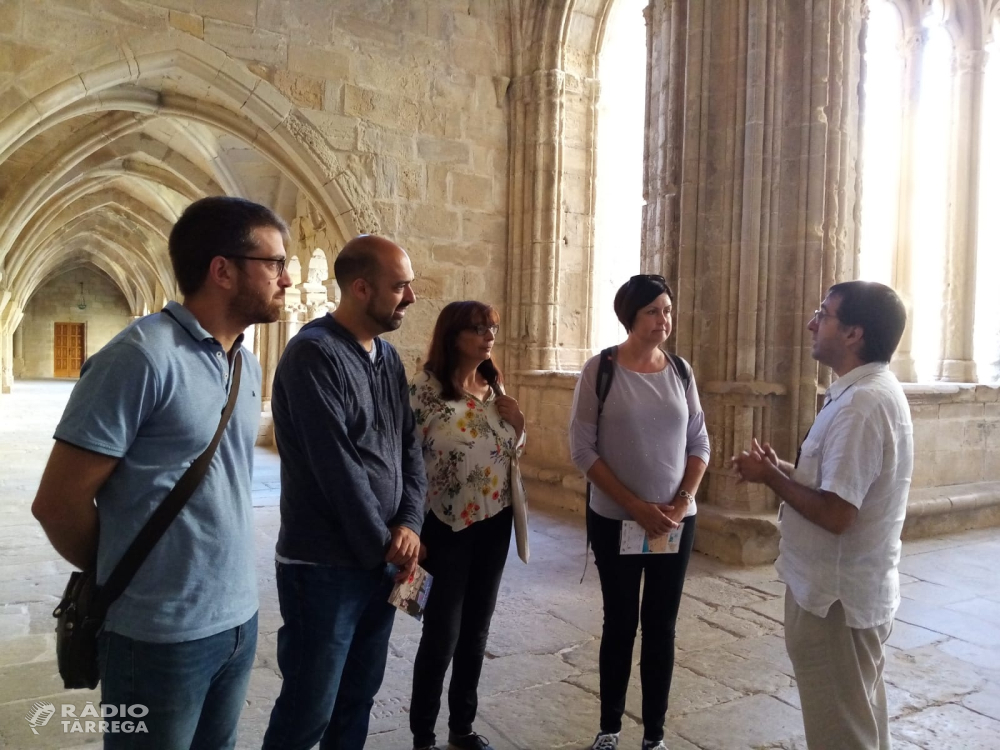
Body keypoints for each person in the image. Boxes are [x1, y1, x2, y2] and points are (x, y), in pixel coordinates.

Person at [32, 196, 292, 749]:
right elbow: (57, 503)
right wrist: (135, 572)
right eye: (274, 263)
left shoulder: (245, 361)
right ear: (222, 270)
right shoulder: (140, 357)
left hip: (239, 620)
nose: (287, 279)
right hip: (156, 636)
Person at [730, 280, 912, 750]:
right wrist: (779, 470)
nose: (812, 322)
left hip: (835, 601)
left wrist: (773, 480)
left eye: (824, 314)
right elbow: (839, 486)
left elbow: (837, 514)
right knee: (857, 722)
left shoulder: (862, 405)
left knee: (841, 735)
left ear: (854, 334)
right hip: (841, 594)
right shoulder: (860, 394)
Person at [262, 235, 427, 750]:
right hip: (325, 568)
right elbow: (336, 469)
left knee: (357, 699)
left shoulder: (389, 359)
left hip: (380, 559)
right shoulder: (314, 354)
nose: (411, 297)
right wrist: (385, 546)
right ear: (361, 288)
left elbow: (409, 450)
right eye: (400, 286)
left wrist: (410, 526)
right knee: (309, 709)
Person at [568, 274, 710, 750]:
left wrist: (680, 502)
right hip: (616, 519)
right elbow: (583, 449)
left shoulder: (680, 371)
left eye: (667, 310)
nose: (663, 320)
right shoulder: (601, 370)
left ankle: (655, 735)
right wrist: (636, 507)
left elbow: (699, 442)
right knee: (621, 620)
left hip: (674, 522)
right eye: (652, 311)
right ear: (630, 316)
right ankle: (609, 728)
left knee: (662, 625)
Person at [408, 301, 526, 750]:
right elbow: (406, 462)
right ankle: (423, 736)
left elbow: (507, 450)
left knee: (477, 630)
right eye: (478, 328)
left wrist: (520, 425)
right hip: (445, 526)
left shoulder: (493, 386)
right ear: (453, 335)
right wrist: (410, 528)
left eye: (492, 327)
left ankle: (462, 728)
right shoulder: (423, 391)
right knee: (441, 635)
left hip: (495, 524)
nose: (488, 335)